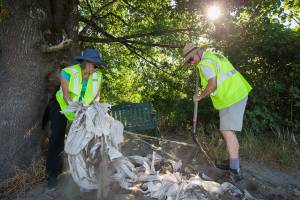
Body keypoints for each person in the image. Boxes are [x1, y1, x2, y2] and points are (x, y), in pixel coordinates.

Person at [182, 43, 252, 182]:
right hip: (235, 94)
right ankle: (233, 162)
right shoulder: (211, 56)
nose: (191, 63)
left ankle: (235, 170)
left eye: (191, 59)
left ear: (197, 53)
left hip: (232, 96)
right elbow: (213, 81)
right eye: (189, 61)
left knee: (226, 131)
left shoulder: (204, 63)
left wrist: (199, 96)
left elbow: (212, 84)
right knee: (228, 131)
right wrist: (201, 92)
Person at [46, 48, 105, 189]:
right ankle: (53, 175)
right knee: (57, 139)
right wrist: (75, 108)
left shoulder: (99, 76)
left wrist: (94, 108)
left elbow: (97, 96)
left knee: (87, 140)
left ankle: (84, 174)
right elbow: (66, 95)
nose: (92, 66)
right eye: (89, 63)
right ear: (83, 61)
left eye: (95, 64)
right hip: (62, 106)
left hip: (83, 111)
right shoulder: (67, 72)